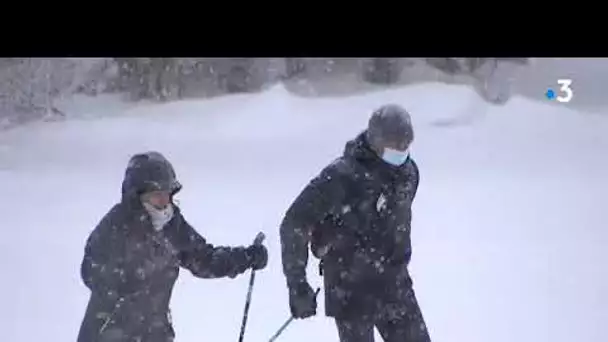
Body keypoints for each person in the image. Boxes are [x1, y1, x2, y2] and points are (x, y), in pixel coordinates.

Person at [77, 151, 268, 342]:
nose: (164, 201)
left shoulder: (171, 225)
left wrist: (245, 257)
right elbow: (91, 271)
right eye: (156, 195)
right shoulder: (117, 226)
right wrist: (123, 282)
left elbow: (204, 259)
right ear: (136, 196)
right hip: (110, 334)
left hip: (154, 333)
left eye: (167, 194)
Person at [279, 104, 431, 342]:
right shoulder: (341, 176)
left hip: (394, 281)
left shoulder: (409, 174)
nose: (400, 152)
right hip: (349, 286)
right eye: (394, 146)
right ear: (375, 142)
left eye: (405, 146)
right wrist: (297, 283)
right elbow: (294, 223)